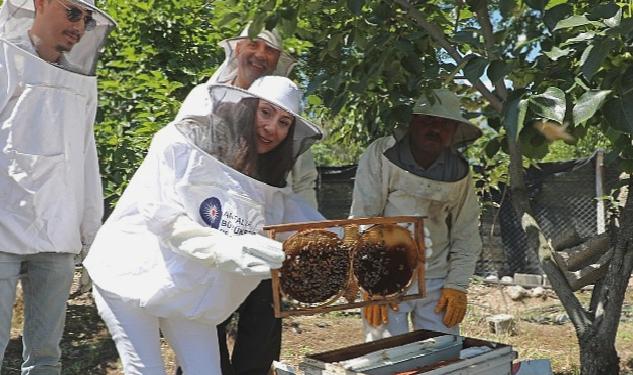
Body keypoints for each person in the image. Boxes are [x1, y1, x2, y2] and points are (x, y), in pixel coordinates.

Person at [83, 75, 324, 374]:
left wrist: (360, 239)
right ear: (246, 108)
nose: (272, 127)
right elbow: (160, 214)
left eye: (284, 122)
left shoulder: (268, 187)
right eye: (266, 112)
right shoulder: (181, 142)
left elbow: (305, 224)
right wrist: (220, 249)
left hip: (185, 291)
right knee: (146, 370)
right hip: (128, 275)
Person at [175, 25, 320, 375]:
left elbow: (300, 189)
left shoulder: (285, 118)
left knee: (260, 339)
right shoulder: (203, 99)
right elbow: (180, 176)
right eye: (253, 45)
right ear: (237, 48)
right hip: (209, 242)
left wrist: (309, 236)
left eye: (269, 50)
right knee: (204, 342)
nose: (260, 55)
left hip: (264, 245)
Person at [0, 0, 115, 373]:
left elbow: (85, 156)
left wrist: (88, 230)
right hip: (2, 234)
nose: (80, 25)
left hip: (57, 238)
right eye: (72, 12)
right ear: (41, 3)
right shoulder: (4, 60)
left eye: (87, 17)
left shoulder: (80, 81)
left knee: (47, 357)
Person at [350, 89, 483, 340]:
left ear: (454, 131)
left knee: (441, 354)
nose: (435, 128)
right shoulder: (381, 154)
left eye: (445, 124)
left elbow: (466, 233)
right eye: (428, 120)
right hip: (386, 275)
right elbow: (363, 220)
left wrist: (456, 286)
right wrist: (371, 280)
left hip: (436, 280)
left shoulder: (460, 172)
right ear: (412, 122)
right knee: (386, 356)